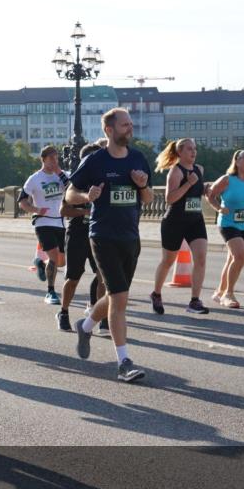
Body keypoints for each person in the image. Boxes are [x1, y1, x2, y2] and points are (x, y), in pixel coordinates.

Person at [66, 108, 153, 383]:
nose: (130, 128)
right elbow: (69, 195)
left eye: (130, 124)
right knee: (120, 298)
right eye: (125, 125)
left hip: (131, 237)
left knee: (118, 295)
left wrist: (142, 186)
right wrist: (87, 196)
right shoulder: (95, 161)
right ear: (109, 130)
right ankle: (124, 362)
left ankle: (86, 325)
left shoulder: (138, 158)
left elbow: (149, 199)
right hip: (103, 236)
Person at [150, 139, 210, 315]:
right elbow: (170, 199)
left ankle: (194, 301)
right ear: (180, 152)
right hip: (175, 221)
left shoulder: (199, 169)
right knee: (168, 261)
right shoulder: (175, 172)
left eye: (195, 149)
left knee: (201, 258)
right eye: (190, 149)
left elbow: (196, 192)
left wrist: (205, 189)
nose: (194, 152)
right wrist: (188, 183)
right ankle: (156, 294)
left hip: (195, 220)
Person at [207, 150, 244, 309]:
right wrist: (218, 208)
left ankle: (219, 292)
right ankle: (228, 294)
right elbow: (210, 195)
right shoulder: (227, 180)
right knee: (240, 257)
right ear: (237, 161)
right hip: (228, 223)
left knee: (232, 259)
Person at [59, 141, 108, 332]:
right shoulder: (77, 182)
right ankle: (63, 312)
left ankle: (101, 317)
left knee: (102, 277)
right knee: (73, 278)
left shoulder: (106, 179)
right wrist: (85, 211)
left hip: (99, 234)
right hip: (78, 233)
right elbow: (63, 210)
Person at [19, 145, 68, 306]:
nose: (55, 161)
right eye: (51, 158)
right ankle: (51, 291)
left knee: (61, 262)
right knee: (53, 257)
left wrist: (60, 173)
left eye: (57, 158)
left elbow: (73, 188)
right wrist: (36, 210)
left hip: (60, 222)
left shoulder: (62, 176)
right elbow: (22, 202)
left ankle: (41, 263)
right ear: (43, 159)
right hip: (43, 222)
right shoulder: (34, 179)